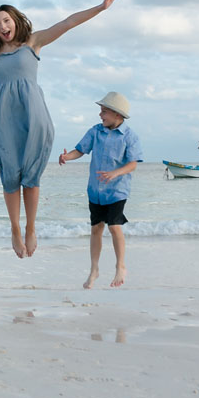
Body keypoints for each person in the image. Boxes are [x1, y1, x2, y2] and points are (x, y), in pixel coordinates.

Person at [0, 0, 121, 258]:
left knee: (31, 177)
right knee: (10, 175)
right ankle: (14, 228)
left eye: (6, 21)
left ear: (15, 21)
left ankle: (31, 228)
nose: (2, 27)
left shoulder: (33, 41)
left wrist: (101, 8)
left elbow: (67, 23)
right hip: (3, 117)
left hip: (33, 115)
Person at [57, 91, 142, 289]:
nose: (100, 115)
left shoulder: (130, 136)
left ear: (117, 115)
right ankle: (94, 269)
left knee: (114, 226)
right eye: (101, 111)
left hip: (117, 190)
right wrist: (67, 157)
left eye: (104, 111)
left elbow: (133, 164)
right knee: (96, 228)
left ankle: (120, 266)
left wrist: (115, 173)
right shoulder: (95, 131)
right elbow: (80, 150)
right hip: (95, 190)